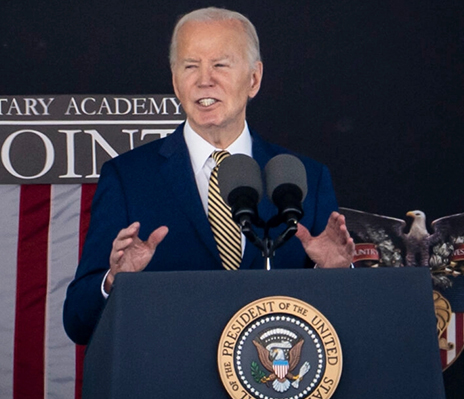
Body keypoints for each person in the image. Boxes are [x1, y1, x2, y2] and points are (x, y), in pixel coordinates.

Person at [62, 7, 354, 345]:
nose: (204, 80)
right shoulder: (128, 179)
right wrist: (114, 280)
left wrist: (335, 273)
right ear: (175, 80)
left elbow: (342, 324)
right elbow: (78, 323)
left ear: (254, 79)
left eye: (220, 64)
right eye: (190, 66)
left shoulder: (305, 178)